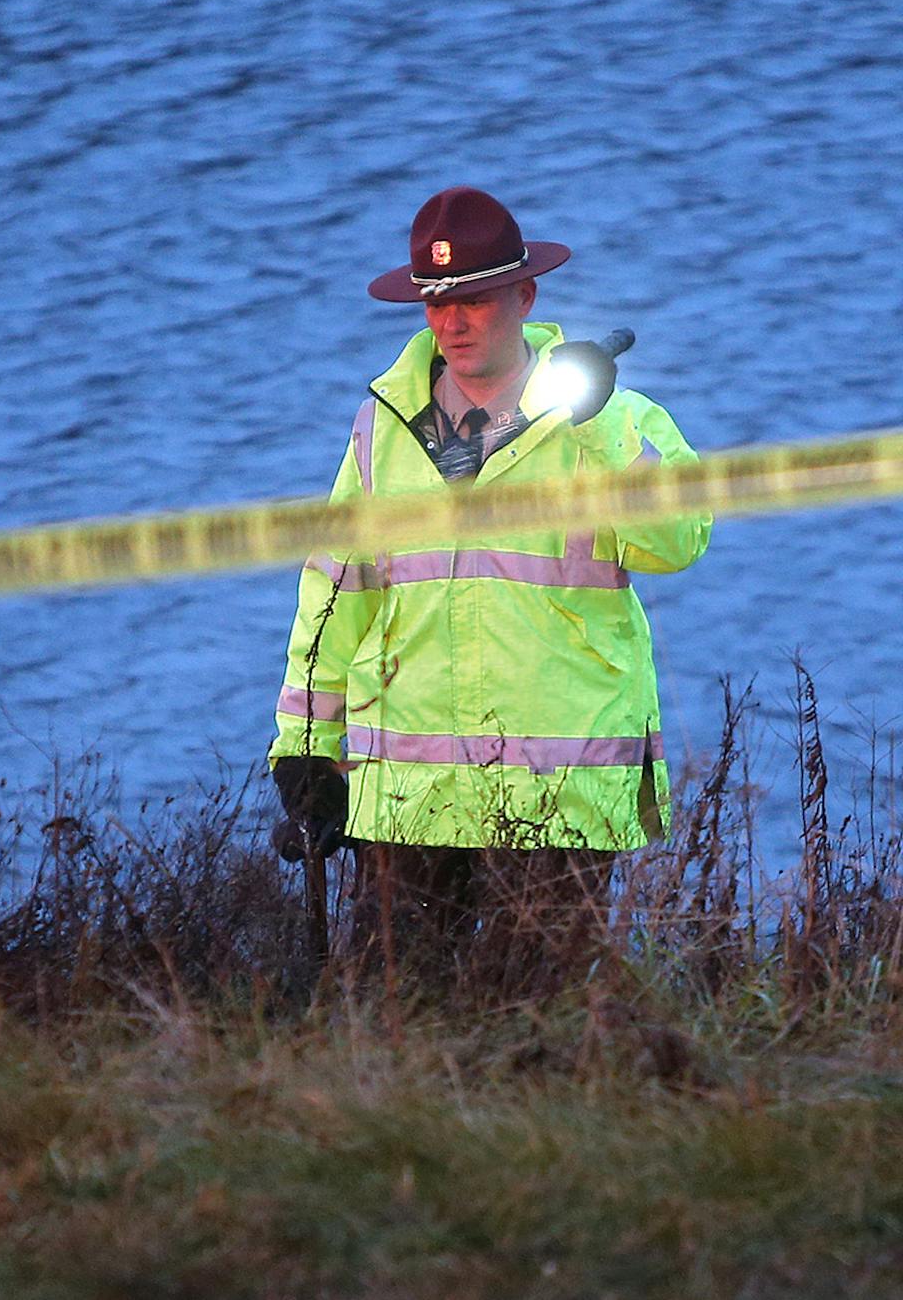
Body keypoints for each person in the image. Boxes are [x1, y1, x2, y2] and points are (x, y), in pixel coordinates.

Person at [267, 186, 710, 981]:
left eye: (472, 298)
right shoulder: (382, 428)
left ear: (524, 295)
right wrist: (304, 749)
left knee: (541, 1021)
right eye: (435, 301)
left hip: (558, 796)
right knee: (393, 1016)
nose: (453, 321)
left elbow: (678, 541)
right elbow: (334, 592)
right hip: (408, 789)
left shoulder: (615, 419)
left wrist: (598, 419)